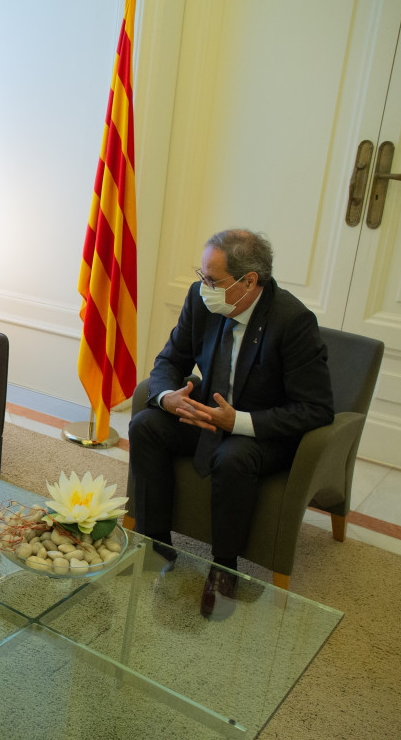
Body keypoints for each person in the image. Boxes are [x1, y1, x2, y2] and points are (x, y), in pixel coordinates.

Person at [128, 229, 333, 617]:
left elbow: (316, 408)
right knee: (145, 426)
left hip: (262, 427)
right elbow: (169, 361)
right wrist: (168, 398)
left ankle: (223, 571)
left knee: (233, 458)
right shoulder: (199, 299)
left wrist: (239, 421)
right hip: (208, 412)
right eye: (202, 276)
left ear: (249, 281)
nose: (203, 287)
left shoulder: (293, 321)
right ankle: (155, 547)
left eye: (213, 280)